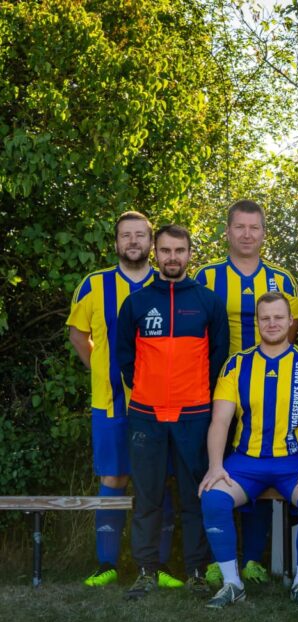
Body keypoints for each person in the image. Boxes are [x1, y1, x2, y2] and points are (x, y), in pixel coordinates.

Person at [116, 224, 229, 599]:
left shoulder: (208, 301)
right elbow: (125, 360)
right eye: (165, 250)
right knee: (148, 497)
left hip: (194, 414)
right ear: (156, 253)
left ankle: (197, 571)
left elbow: (218, 357)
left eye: (179, 250)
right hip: (146, 414)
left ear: (189, 253)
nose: (172, 257)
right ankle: (146, 571)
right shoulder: (135, 302)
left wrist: (195, 393)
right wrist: (149, 390)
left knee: (194, 495)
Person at [67, 211, 180, 588]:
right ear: (115, 243)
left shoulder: (170, 284)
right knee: (113, 477)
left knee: (159, 480)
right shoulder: (94, 284)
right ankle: (106, 564)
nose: (133, 242)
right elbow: (79, 336)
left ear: (151, 243)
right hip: (111, 403)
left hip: (159, 403)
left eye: (139, 236)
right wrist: (101, 370)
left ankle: (159, 566)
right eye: (125, 236)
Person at [198, 292, 298, 609]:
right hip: (246, 461)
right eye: (265, 317)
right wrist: (216, 466)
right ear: (257, 322)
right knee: (213, 496)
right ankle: (232, 584)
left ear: (290, 321)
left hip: (294, 460)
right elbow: (219, 421)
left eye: (278, 317)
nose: (272, 323)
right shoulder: (237, 363)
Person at [195, 199, 298, 585]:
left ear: (263, 233)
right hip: (215, 386)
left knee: (256, 459)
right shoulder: (206, 277)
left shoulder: (283, 280)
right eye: (239, 227)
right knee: (213, 470)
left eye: (254, 227)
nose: (246, 234)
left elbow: (297, 335)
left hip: (270, 388)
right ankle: (214, 558)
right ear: (228, 231)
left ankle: (254, 558)